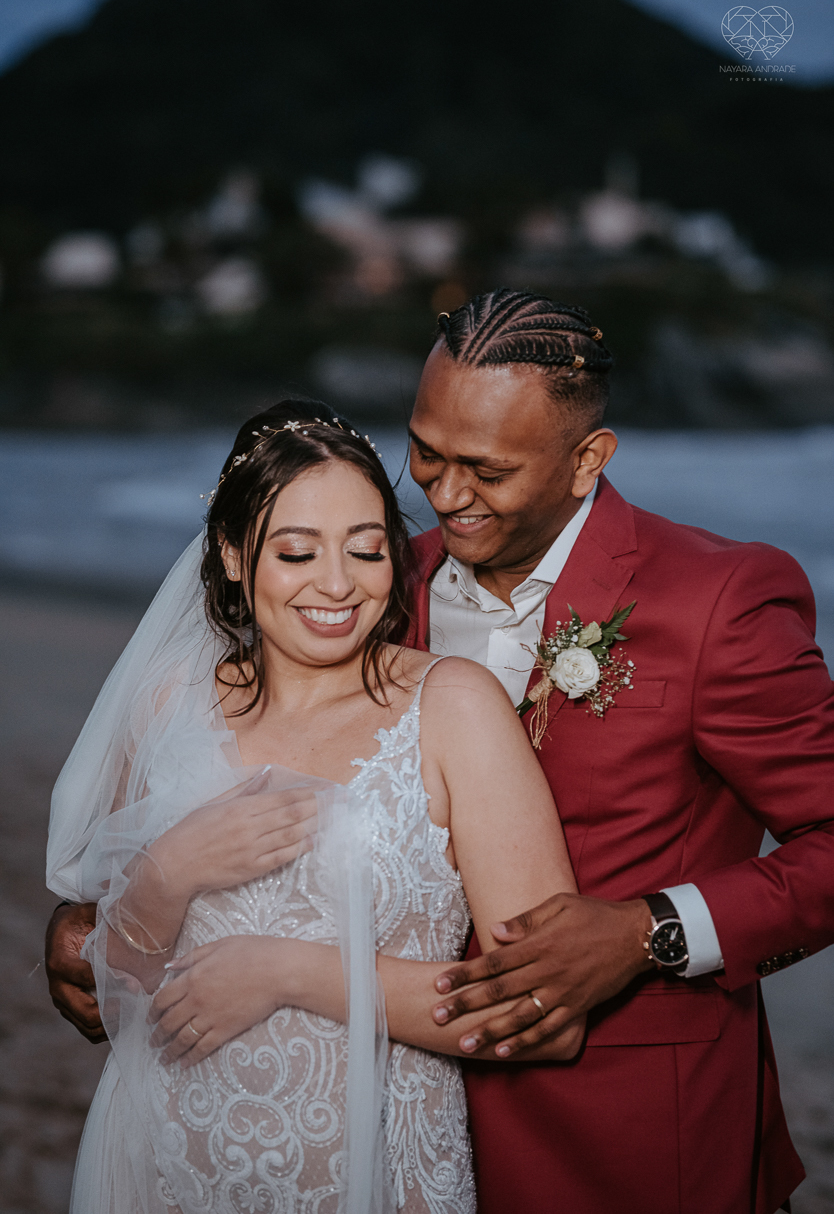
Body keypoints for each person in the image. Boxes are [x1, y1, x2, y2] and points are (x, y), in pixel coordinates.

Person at [47, 288, 834, 1213]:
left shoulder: (718, 599)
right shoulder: (374, 579)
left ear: (587, 459)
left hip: (623, 1130)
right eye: (426, 452)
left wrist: (649, 931)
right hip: (384, 1117)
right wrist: (90, 933)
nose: (447, 496)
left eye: (487, 470)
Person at [45, 398, 581, 1214]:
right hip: (159, 1164)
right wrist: (169, 872)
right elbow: (115, 997)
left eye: (367, 551)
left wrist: (293, 973)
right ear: (231, 554)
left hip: (370, 1174)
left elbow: (540, 1011)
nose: (338, 584)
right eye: (297, 553)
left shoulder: (453, 708)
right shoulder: (166, 705)